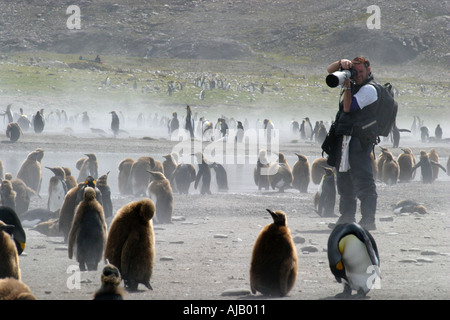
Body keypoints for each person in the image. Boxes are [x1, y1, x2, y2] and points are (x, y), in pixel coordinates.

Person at [326, 56, 378, 230]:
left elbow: (349, 107)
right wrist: (341, 63)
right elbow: (329, 71)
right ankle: (346, 217)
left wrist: (348, 85)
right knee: (344, 178)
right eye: (355, 72)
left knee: (363, 179)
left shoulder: (369, 90)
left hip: (359, 141)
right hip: (345, 139)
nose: (358, 75)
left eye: (361, 71)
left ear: (368, 70)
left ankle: (368, 219)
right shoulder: (352, 83)